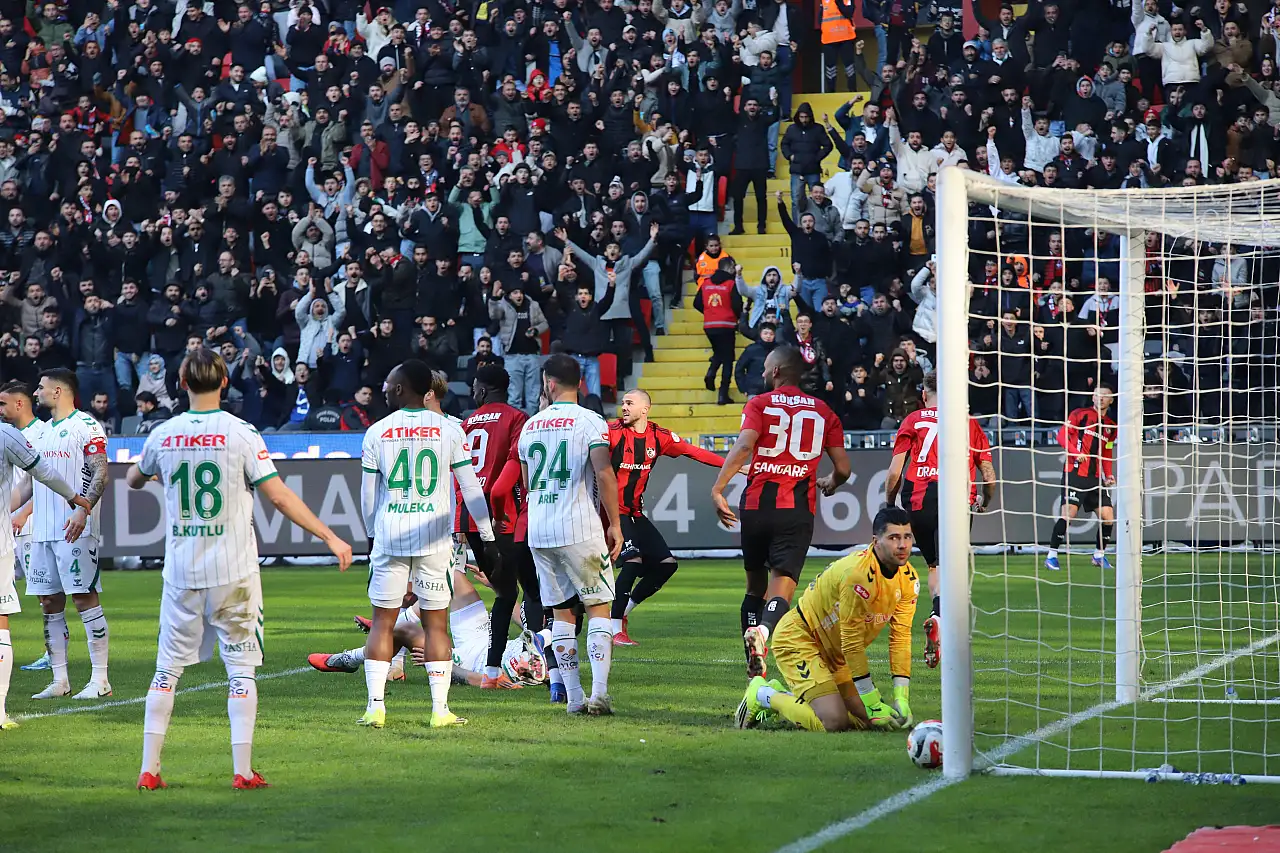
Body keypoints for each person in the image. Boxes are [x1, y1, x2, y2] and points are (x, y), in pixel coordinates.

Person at [125, 348, 352, 790]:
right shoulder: (241, 433)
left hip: (182, 571)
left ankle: (149, 770)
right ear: (225, 381)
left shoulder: (164, 435)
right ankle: (242, 771)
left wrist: (156, 475)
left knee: (166, 670)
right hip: (235, 570)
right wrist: (330, 536)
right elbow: (280, 497)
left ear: (182, 382)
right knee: (241, 670)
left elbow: (134, 479)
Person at [359, 359, 499, 729]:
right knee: (437, 624)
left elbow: (368, 497)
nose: (385, 389)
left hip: (391, 535)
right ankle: (440, 710)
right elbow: (470, 488)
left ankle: (375, 707)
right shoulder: (449, 430)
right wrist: (486, 535)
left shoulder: (377, 432)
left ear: (403, 388)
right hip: (435, 538)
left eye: (389, 383)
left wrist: (372, 534)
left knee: (382, 623)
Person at [710, 346, 850, 679]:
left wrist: (718, 489)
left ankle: (753, 667)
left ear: (775, 372)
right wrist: (830, 482)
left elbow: (745, 445)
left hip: (757, 506)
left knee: (754, 588)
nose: (760, 374)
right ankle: (763, 635)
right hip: (795, 510)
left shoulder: (758, 403)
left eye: (764, 369)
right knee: (781, 588)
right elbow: (843, 468)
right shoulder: (824, 411)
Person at [736, 505, 919, 733]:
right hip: (800, 639)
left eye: (907, 537)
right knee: (834, 721)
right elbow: (852, 642)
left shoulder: (909, 579)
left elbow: (901, 637)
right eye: (893, 537)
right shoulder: (858, 576)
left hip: (836, 654)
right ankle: (763, 694)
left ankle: (813, 697)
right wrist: (871, 702)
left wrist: (902, 697)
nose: (902, 545)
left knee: (870, 722)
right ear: (875, 541)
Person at [516, 354, 623, 715]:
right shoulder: (591, 422)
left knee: (561, 613)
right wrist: (615, 524)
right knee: (598, 607)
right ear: (580, 382)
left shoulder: (531, 426)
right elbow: (604, 473)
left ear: (548, 383)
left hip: (540, 530)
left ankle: (574, 699)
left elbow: (528, 482)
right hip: (579, 525)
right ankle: (600, 694)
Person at [883, 372, 996, 669]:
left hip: (918, 496)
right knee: (951, 567)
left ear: (924, 393)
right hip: (957, 497)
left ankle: (934, 615)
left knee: (933, 564)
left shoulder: (913, 420)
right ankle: (940, 619)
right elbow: (988, 474)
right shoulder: (968, 423)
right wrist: (986, 499)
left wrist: (888, 503)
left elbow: (895, 471)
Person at [17, 369, 112, 701]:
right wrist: (12, 512)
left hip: (75, 530)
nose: (37, 393)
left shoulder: (85, 427)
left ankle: (100, 679)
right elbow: (31, 483)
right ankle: (61, 680)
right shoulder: (40, 434)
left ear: (58, 392)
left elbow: (101, 470)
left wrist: (82, 509)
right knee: (49, 603)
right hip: (41, 531)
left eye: (41, 388)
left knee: (84, 598)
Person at [607, 389, 726, 645]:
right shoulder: (610, 432)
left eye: (630, 403)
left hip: (635, 513)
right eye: (623, 402)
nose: (624, 407)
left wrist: (732, 466)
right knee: (633, 561)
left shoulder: (658, 437)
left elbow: (694, 452)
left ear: (644, 409)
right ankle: (613, 627)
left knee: (667, 564)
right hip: (609, 513)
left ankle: (622, 614)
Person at [307, 568, 546, 688]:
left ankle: (349, 659)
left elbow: (481, 679)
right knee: (450, 575)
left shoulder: (533, 671)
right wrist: (499, 591)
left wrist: (443, 664)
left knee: (405, 632)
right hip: (482, 633)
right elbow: (524, 621)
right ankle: (398, 623)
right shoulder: (548, 637)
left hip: (464, 660)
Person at [455, 365, 542, 689]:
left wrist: (462, 521)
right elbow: (514, 465)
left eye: (476, 385)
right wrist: (503, 510)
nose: (473, 391)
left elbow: (460, 475)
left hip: (470, 518)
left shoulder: (465, 423)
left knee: (505, 593)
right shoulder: (516, 419)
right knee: (534, 593)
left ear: (485, 388)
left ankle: (492, 672)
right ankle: (541, 659)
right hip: (501, 518)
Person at [0, 416, 90, 729]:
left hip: (19, 535)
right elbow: (42, 472)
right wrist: (74, 496)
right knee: (6, 620)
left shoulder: (12, 433)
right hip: (6, 541)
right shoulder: (8, 434)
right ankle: (1, 710)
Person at [1044, 386, 1117, 572]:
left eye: (1105, 396)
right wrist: (1076, 453)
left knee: (1108, 516)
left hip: (1094, 478)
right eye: (1097, 394)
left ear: (1111, 401)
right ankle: (1051, 556)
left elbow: (1107, 451)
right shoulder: (1080, 414)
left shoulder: (1111, 426)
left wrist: (1108, 474)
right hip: (1074, 473)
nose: (1100, 398)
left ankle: (1099, 556)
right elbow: (1061, 436)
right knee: (1069, 513)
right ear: (1092, 397)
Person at [694, 257, 744, 405]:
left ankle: (711, 374)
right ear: (729, 268)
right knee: (728, 359)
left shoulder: (706, 283)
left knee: (719, 353)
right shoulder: (730, 283)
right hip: (726, 325)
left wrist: (710, 312)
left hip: (710, 326)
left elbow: (696, 303)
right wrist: (737, 317)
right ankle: (723, 394)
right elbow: (737, 305)